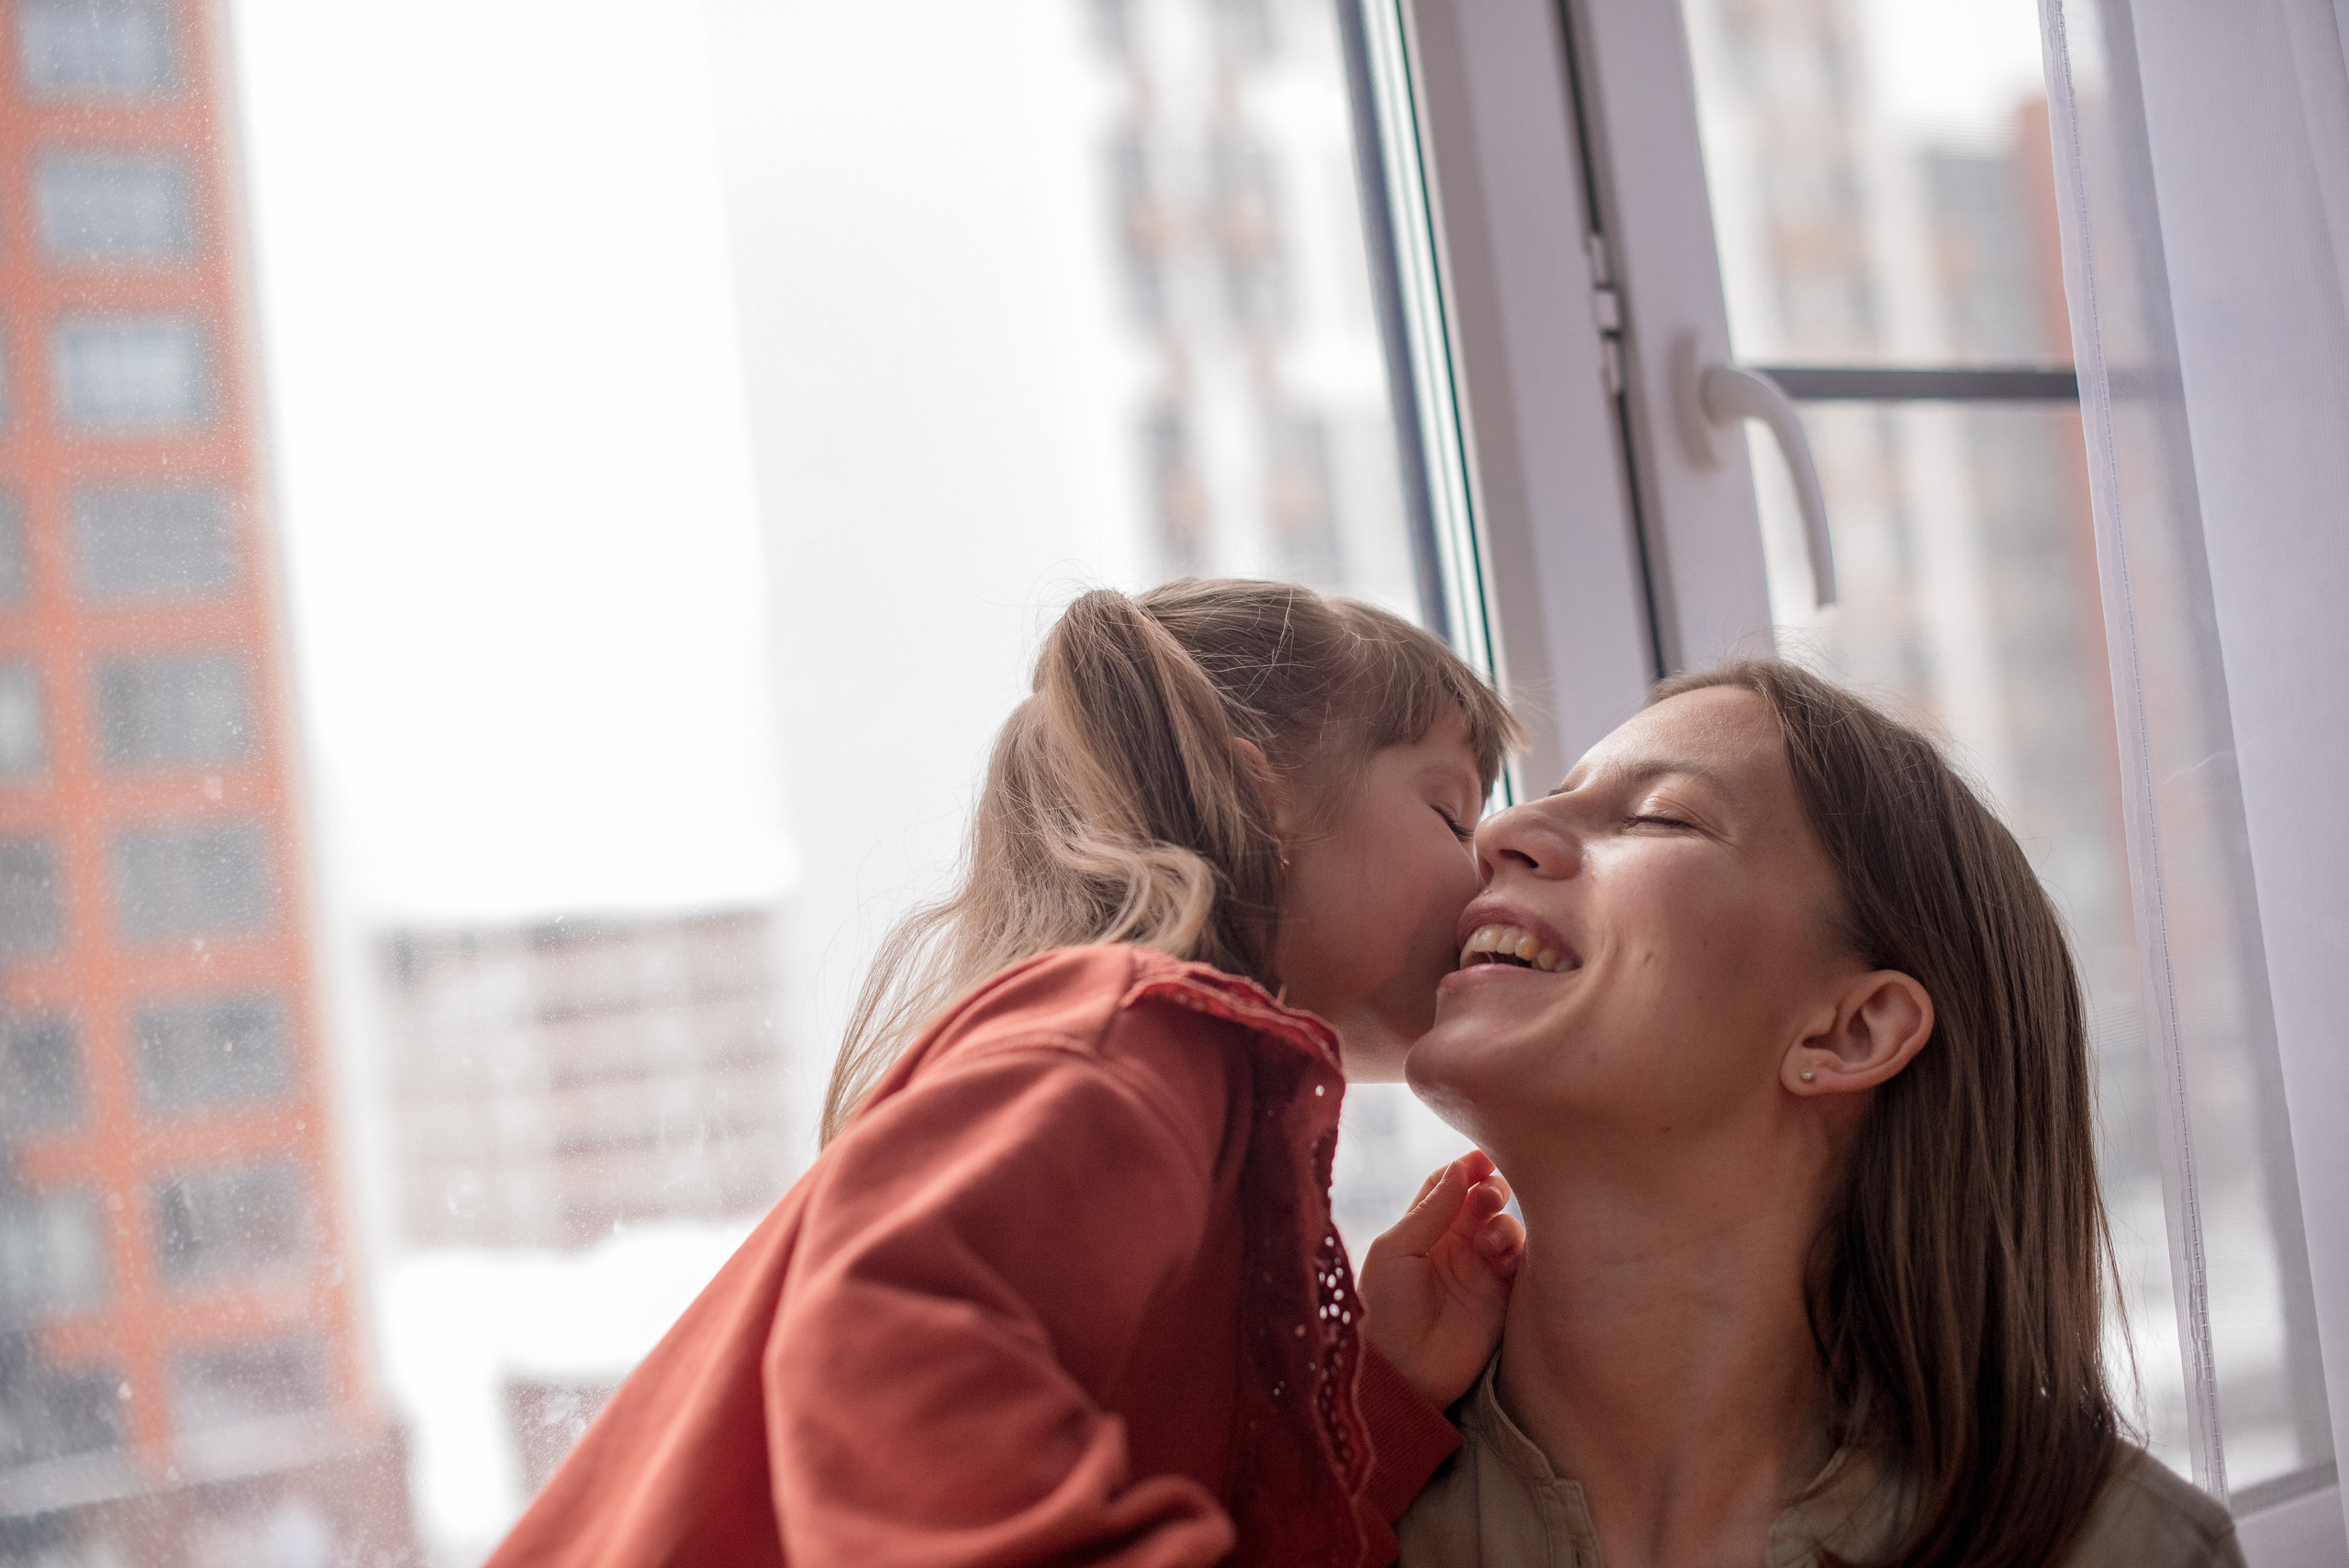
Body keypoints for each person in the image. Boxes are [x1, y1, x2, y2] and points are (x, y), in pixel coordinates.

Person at [487, 579, 1530, 1568]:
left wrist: (1374, 1395)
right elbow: (884, 1347)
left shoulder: (1175, 1096)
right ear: (1262, 804)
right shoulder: (1134, 1040)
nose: (1491, 860)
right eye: (1452, 812)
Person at [1398, 660, 2243, 1568]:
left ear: (1849, 1031)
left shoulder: (2125, 1550)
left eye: (1659, 814)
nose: (1503, 828)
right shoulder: (1328, 1490)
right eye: (1543, 797)